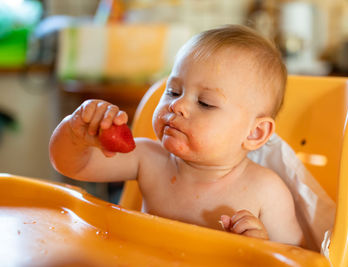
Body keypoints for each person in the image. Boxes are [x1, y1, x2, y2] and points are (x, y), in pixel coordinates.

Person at [49, 24, 303, 246]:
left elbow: (297, 257)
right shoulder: (148, 159)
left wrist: (260, 247)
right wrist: (74, 132)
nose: (177, 105)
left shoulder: (266, 191)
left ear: (255, 132)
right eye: (173, 91)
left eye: (204, 103)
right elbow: (73, 165)